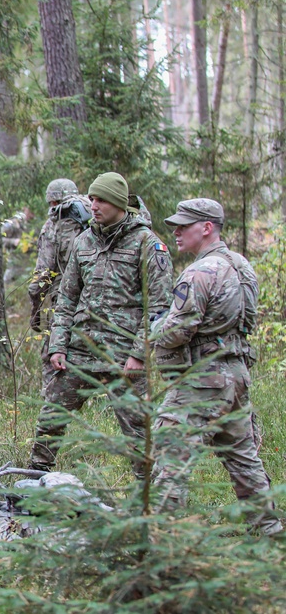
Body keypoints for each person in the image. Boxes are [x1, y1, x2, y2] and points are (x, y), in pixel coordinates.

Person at [150, 199, 281, 535]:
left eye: (184, 225)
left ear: (206, 227)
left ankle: (163, 538)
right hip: (235, 375)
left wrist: (154, 328)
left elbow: (178, 331)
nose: (175, 232)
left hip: (201, 379)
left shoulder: (199, 272)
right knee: (242, 455)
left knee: (170, 454)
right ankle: (268, 529)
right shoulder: (242, 265)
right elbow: (246, 321)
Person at [29, 172, 173, 478]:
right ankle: (34, 479)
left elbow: (159, 308)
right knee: (50, 418)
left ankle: (148, 498)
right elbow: (67, 298)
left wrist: (138, 354)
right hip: (80, 350)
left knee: (139, 433)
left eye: (101, 200)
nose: (93, 206)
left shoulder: (147, 243)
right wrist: (57, 345)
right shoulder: (84, 241)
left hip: (124, 357)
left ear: (119, 203)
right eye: (92, 199)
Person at [28, 179, 92, 392]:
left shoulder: (54, 223)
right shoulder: (94, 218)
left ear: (52, 201)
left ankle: (51, 399)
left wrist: (35, 309)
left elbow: (43, 274)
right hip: (98, 297)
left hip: (64, 299)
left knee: (51, 352)